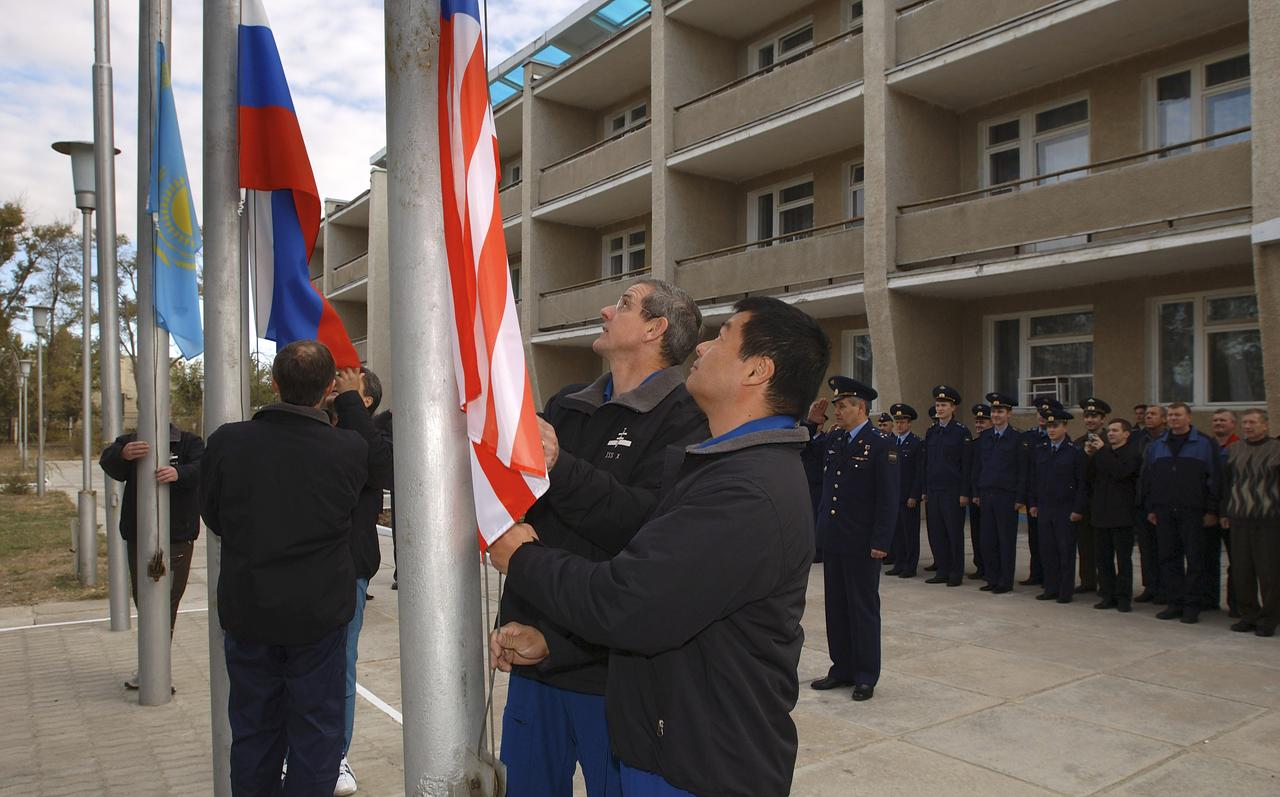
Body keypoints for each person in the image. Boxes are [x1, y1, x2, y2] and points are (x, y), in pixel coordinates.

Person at [488, 296, 829, 796]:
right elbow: (659, 598)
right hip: (669, 739)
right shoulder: (724, 467)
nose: (704, 346)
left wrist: (520, 556)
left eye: (724, 336)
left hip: (698, 763)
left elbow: (627, 602)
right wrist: (554, 641)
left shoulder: (746, 491)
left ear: (756, 370)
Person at [494, 279, 708, 797]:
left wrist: (560, 466)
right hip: (532, 655)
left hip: (608, 674)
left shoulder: (687, 421)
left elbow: (639, 527)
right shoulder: (568, 405)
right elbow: (531, 514)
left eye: (626, 304)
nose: (605, 309)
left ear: (655, 329)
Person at [200, 340, 368, 795]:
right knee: (316, 736)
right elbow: (373, 457)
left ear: (273, 384)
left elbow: (213, 516)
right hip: (317, 617)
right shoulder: (347, 449)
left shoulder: (227, 442)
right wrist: (351, 404)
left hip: (249, 611)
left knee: (254, 731)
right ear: (330, 388)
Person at [805, 377, 898, 702]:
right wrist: (811, 423)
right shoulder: (834, 439)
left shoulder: (881, 443)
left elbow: (888, 498)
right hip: (834, 538)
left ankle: (865, 674)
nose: (837, 411)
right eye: (836, 407)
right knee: (837, 607)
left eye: (842, 406)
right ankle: (841, 668)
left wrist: (881, 541)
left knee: (862, 608)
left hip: (862, 542)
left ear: (861, 407)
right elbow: (803, 453)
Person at [329, 366, 394, 797]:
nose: (335, 383)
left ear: (365, 399)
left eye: (347, 382)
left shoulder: (374, 438)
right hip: (297, 568)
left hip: (348, 567)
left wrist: (349, 403)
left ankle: (335, 755)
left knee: (339, 667)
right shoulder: (314, 426)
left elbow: (379, 469)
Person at [100, 422, 204, 689]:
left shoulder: (189, 442)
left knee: (167, 600)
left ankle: (156, 669)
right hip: (139, 534)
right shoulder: (130, 442)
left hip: (177, 536)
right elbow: (110, 463)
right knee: (144, 599)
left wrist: (178, 473)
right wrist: (122, 454)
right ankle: (150, 664)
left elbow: (203, 468)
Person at [1142, 402, 1221, 624]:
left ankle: (1192, 605)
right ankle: (1174, 603)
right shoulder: (1158, 445)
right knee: (1168, 558)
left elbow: (1214, 479)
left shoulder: (1204, 444)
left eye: (1179, 415)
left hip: (1193, 511)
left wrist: (1212, 510)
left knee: (1195, 560)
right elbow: (1149, 479)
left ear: (1189, 418)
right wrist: (1151, 508)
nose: (1174, 419)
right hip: (1165, 511)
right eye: (1171, 415)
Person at [1220, 409, 1280, 637]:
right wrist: (1224, 511)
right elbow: (1226, 484)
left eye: (1253, 422)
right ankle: (1249, 615)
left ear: (1265, 425)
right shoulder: (1234, 449)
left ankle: (1269, 618)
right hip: (1239, 518)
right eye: (1244, 422)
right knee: (1242, 570)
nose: (1247, 426)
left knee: (1269, 573)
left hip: (1269, 520)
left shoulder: (1276, 449)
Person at [1026, 405, 1086, 604]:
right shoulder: (1040, 450)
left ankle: (1065, 591)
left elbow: (1081, 483)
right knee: (1047, 549)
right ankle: (1050, 587)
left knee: (1065, 551)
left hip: (1065, 509)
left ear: (1065, 427)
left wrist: (1078, 509)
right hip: (1045, 507)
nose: (1051, 429)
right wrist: (1033, 503)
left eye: (1056, 425)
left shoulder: (1074, 451)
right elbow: (1034, 479)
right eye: (1049, 426)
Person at [1086, 419, 1141, 611]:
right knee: (1103, 559)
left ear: (1126, 434)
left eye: (1115, 430)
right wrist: (1090, 456)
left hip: (1122, 515)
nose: (1110, 434)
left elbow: (1121, 472)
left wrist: (1102, 451)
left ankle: (1124, 598)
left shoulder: (1132, 453)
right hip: (1101, 513)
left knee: (1123, 560)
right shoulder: (1102, 453)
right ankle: (1107, 595)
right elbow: (1090, 477)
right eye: (1109, 430)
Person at [971, 393, 1022, 595]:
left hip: (1006, 495)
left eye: (1000, 411)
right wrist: (976, 492)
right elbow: (977, 467)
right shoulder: (985, 437)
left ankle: (1005, 580)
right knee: (988, 539)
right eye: (993, 411)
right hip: (986, 493)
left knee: (1005, 539)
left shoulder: (1017, 438)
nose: (996, 415)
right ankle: (991, 578)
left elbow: (1021, 470)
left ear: (1009, 414)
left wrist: (1019, 497)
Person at [921, 385, 971, 587]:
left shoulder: (961, 432)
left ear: (953, 407)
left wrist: (964, 493)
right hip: (934, 490)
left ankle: (955, 572)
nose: (940, 408)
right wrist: (924, 489)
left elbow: (966, 465)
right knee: (936, 532)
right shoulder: (932, 431)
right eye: (938, 405)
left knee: (953, 533)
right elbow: (926, 464)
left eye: (944, 405)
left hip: (952, 491)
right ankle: (941, 569)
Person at [1074, 398, 1111, 595]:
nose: (1090, 420)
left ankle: (1106, 584)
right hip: (1085, 500)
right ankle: (1087, 580)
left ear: (1103, 419)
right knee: (1085, 544)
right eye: (1087, 416)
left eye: (1094, 416)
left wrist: (1101, 450)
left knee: (1104, 546)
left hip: (1104, 500)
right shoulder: (1079, 442)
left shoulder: (1109, 441)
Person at [1019, 397, 1056, 587]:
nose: (1042, 417)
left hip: (1050, 497)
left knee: (1050, 541)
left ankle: (1050, 577)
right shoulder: (1028, 436)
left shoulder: (1055, 437)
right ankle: (1036, 574)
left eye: (1047, 414)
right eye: (1040, 413)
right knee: (1034, 539)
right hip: (1032, 494)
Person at [1133, 404, 1168, 603]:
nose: (1148, 418)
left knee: (1165, 548)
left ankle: (1166, 588)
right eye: (1147, 415)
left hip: (1162, 503)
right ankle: (1151, 586)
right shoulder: (1139, 439)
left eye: (1153, 414)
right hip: (1141, 501)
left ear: (1163, 419)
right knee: (1146, 549)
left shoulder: (1168, 441)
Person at [1209, 409, 1240, 615]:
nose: (1219, 423)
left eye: (1223, 420)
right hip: (1210, 511)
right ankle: (1208, 600)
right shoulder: (1207, 446)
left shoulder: (1240, 447)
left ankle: (1236, 605)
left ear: (1233, 424)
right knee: (1208, 559)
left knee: (1237, 562)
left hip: (1233, 512)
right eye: (1216, 420)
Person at [886, 403, 923, 579]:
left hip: (908, 496)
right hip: (894, 496)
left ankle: (910, 565)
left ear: (909, 423)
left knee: (910, 533)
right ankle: (899, 563)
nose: (900, 425)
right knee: (897, 532)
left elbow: (918, 473)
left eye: (903, 422)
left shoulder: (916, 443)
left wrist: (914, 495)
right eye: (897, 421)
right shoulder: (892, 442)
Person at [968, 403, 992, 580]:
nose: (979, 425)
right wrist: (974, 493)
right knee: (977, 534)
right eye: (977, 421)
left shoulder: (992, 442)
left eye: (983, 421)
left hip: (991, 495)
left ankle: (991, 568)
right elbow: (973, 471)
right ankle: (980, 566)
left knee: (990, 535)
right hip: (976, 495)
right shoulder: (974, 444)